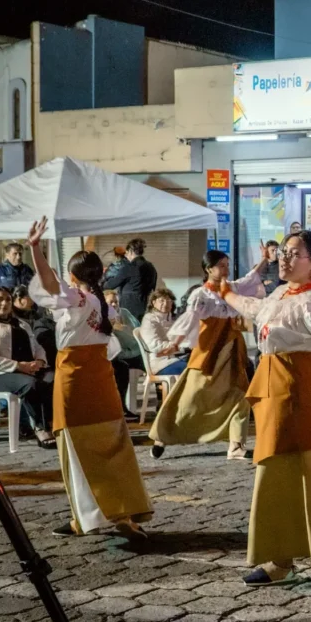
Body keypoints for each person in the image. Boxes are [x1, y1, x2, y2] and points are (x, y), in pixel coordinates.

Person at [221, 230, 311, 586]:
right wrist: (226, 292)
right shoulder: (281, 292)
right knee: (297, 464)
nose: (283, 258)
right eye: (283, 252)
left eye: (293, 253)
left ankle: (284, 557)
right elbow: (255, 310)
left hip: (298, 387)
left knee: (285, 465)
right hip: (276, 384)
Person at [26, 217, 152, 540]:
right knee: (115, 447)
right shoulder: (106, 306)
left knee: (77, 452)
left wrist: (35, 248)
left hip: (75, 382)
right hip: (102, 380)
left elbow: (49, 284)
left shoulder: (78, 299)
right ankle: (125, 512)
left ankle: (85, 518)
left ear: (73, 276)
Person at [149, 250, 265, 461]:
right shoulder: (201, 295)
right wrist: (174, 343)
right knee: (190, 398)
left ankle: (236, 446)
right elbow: (190, 319)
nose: (225, 269)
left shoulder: (232, 289)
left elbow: (249, 279)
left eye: (227, 264)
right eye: (221, 265)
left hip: (231, 349)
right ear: (208, 269)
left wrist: (265, 260)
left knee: (240, 395)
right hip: (209, 351)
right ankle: (162, 436)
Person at [0, 287, 55, 448]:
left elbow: (37, 346)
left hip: (28, 370)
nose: (4, 303)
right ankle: (41, 428)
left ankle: (53, 423)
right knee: (30, 384)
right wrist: (17, 366)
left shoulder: (22, 324)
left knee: (53, 378)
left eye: (8, 300)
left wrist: (39, 361)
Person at [105, 288, 148, 419]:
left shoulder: (125, 313)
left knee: (156, 365)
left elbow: (138, 332)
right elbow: (113, 347)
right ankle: (122, 407)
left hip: (137, 352)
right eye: (110, 302)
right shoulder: (103, 318)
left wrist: (123, 328)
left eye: (116, 302)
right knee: (121, 368)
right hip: (121, 355)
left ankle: (162, 403)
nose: (114, 305)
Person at [102, 238, 158, 322]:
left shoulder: (129, 267)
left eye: (127, 253)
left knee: (129, 330)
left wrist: (100, 285)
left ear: (131, 251)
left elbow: (111, 284)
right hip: (145, 303)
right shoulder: (151, 267)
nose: (126, 256)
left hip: (129, 306)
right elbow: (153, 286)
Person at [139, 289, 189, 377]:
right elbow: (154, 345)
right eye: (161, 301)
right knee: (194, 370)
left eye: (169, 300)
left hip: (177, 358)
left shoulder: (172, 319)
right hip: (161, 363)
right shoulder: (149, 319)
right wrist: (181, 348)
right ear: (154, 302)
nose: (165, 304)